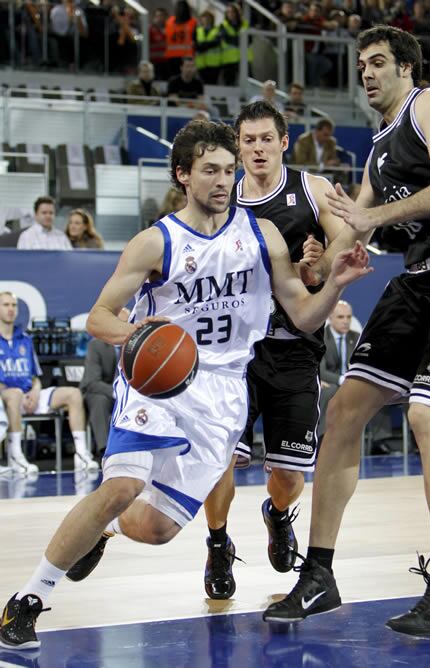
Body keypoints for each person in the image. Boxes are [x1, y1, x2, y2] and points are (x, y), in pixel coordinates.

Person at [0, 119, 371, 650]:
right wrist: (144, 338)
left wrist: (334, 282)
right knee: (122, 485)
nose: (223, 181)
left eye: (228, 170)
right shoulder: (156, 242)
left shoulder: (261, 236)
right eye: (210, 171)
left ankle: (103, 529)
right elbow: (100, 317)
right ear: (183, 175)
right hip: (158, 382)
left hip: (222, 393)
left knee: (154, 528)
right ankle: (26, 603)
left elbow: (305, 316)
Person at [263, 25, 430, 637]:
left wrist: (374, 215)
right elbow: (353, 229)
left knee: (427, 416)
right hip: (419, 279)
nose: (368, 74)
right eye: (361, 66)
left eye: (378, 62)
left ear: (406, 67)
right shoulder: (378, 148)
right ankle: (319, 576)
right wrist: (319, 263)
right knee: (345, 410)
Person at [202, 101, 346, 600]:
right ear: (237, 147)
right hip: (235, 352)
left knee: (286, 474)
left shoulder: (312, 189)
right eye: (249, 140)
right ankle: (218, 544)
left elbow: (342, 251)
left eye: (267, 139)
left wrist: (322, 262)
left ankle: (278, 513)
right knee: (222, 456)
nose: (258, 148)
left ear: (284, 142)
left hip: (295, 348)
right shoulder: (222, 198)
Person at [0, 291, 99, 476]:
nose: (11, 309)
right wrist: (18, 394)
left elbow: (35, 375)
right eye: (5, 305)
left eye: (13, 305)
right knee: (13, 394)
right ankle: (15, 456)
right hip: (6, 397)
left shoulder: (25, 339)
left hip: (30, 394)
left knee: (73, 394)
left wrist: (36, 391)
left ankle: (81, 454)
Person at [80, 309, 130, 456]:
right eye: (121, 324)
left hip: (129, 393)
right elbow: (92, 382)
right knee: (98, 399)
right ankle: (106, 450)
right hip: (105, 392)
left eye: (128, 323)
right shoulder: (96, 345)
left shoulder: (136, 345)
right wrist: (117, 392)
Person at [318, 300, 358, 438]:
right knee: (330, 390)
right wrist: (343, 380)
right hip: (331, 382)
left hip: (353, 384)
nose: (346, 321)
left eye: (348, 317)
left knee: (373, 392)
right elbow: (321, 371)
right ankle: (322, 436)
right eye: (341, 317)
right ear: (330, 317)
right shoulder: (321, 337)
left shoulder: (357, 338)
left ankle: (380, 439)